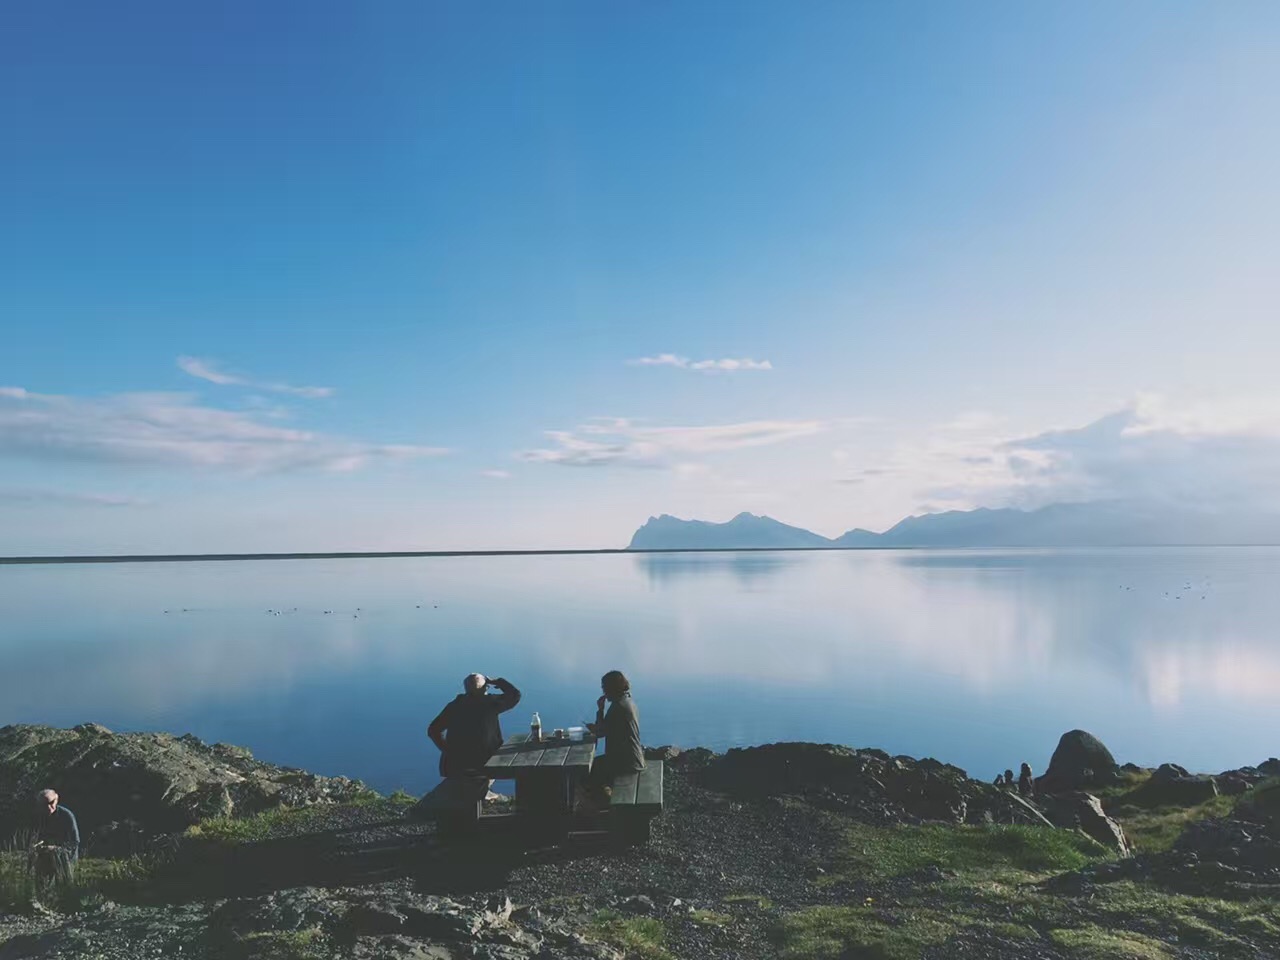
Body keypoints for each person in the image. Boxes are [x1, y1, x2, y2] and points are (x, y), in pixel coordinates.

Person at [427, 673, 521, 778]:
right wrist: (497, 681)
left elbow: (433, 730)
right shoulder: (491, 704)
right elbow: (515, 695)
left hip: (454, 765)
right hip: (483, 763)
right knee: (480, 784)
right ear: (486, 687)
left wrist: (448, 750)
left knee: (462, 788)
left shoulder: (455, 706)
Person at [581, 670, 644, 807]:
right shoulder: (627, 701)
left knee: (588, 772)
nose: (603, 691)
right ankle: (603, 803)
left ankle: (604, 807)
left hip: (625, 762)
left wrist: (599, 711)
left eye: (604, 687)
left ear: (612, 688)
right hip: (632, 757)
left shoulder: (618, 707)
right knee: (595, 768)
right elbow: (606, 728)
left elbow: (600, 732)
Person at [29, 789, 79, 889]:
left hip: (65, 857)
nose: (48, 807)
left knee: (64, 888)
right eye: (44, 804)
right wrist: (36, 844)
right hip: (45, 855)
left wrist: (55, 848)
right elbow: (34, 836)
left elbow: (74, 842)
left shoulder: (67, 816)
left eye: (51, 803)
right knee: (40, 886)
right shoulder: (38, 816)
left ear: (57, 800)